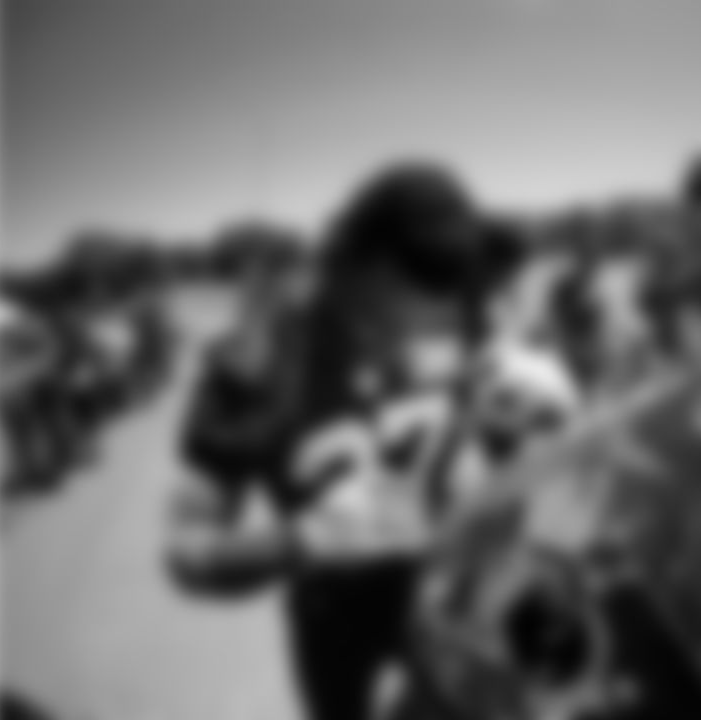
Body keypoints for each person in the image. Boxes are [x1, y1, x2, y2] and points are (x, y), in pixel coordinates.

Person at [166, 161, 510, 720]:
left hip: (453, 603)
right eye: (372, 324)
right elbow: (186, 552)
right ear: (338, 267)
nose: (399, 349)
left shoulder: (464, 313)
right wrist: (307, 539)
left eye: (434, 328)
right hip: (331, 618)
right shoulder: (255, 357)